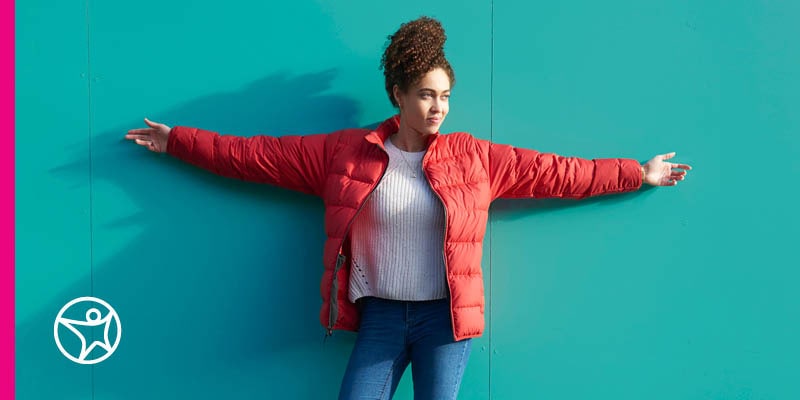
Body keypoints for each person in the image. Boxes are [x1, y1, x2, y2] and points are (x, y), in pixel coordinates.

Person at [125, 16, 691, 400]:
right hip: (380, 317)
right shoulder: (343, 153)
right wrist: (179, 141)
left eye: (445, 95)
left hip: (446, 319)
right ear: (398, 93)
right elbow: (257, 157)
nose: (438, 106)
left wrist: (637, 172)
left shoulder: (475, 158)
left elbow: (556, 172)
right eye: (426, 94)